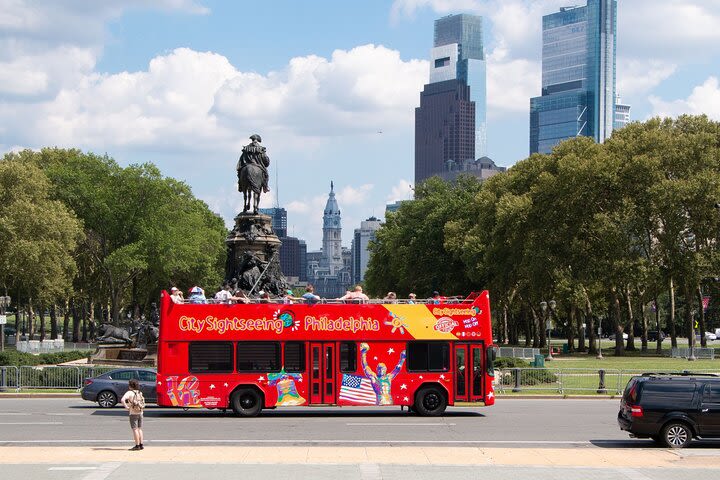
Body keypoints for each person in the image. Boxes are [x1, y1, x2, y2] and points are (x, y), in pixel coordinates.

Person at [121, 379, 145, 450]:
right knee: (140, 429)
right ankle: (141, 444)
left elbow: (122, 400)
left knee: (135, 429)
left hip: (133, 413)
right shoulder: (139, 392)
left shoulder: (129, 393)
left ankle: (137, 445)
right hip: (140, 412)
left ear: (130, 386)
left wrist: (127, 407)